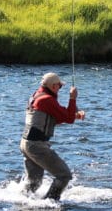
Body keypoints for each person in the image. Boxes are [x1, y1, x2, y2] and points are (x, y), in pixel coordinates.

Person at [20, 72, 85, 201]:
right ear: (54, 86)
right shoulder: (47, 100)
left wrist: (74, 115)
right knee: (64, 176)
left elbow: (53, 117)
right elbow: (67, 118)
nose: (60, 89)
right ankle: (49, 202)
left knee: (34, 182)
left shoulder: (37, 96)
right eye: (60, 86)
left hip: (26, 143)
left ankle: (22, 200)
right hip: (36, 145)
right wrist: (72, 99)